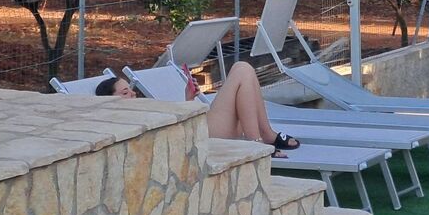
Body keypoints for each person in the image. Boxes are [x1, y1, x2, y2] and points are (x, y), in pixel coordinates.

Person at [97, 62, 300, 157]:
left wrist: (189, 98)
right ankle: (258, 142)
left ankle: (266, 133)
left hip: (204, 125)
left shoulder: (139, 109)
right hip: (207, 134)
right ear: (110, 100)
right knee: (242, 71)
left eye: (131, 90)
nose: (133, 94)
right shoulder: (127, 118)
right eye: (125, 93)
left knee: (242, 67)